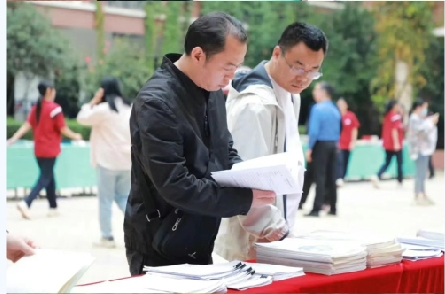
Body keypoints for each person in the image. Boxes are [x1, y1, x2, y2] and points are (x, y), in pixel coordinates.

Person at [123, 12, 276, 275]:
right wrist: (243, 200)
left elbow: (224, 147)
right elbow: (176, 185)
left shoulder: (212, 89)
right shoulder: (156, 103)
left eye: (236, 67)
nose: (231, 76)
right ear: (198, 55)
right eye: (227, 66)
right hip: (159, 242)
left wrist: (250, 177)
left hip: (199, 234)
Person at [215, 22, 327, 261]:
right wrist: (277, 230)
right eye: (298, 68)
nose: (304, 78)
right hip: (248, 243)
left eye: (313, 71)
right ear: (277, 53)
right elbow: (245, 178)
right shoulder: (254, 105)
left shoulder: (290, 95)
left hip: (275, 236)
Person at [7, 81, 82, 219]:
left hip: (39, 150)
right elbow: (62, 128)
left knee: (49, 176)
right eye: (53, 90)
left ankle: (53, 207)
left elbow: (26, 126)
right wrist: (76, 136)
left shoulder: (36, 108)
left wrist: (13, 138)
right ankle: (26, 202)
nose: (54, 92)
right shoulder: (55, 109)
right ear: (48, 91)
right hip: (50, 149)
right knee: (45, 178)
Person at [77, 77, 132, 249]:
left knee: (105, 200)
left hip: (107, 162)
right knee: (124, 198)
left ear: (103, 90)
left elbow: (82, 118)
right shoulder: (129, 108)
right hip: (126, 161)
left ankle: (107, 237)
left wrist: (92, 101)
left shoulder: (103, 109)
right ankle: (141, 228)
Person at [305, 82, 341, 217]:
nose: (314, 93)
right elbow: (338, 129)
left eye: (316, 90)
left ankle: (316, 208)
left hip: (320, 144)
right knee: (332, 176)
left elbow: (314, 131)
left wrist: (310, 148)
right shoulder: (335, 109)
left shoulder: (317, 108)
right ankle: (333, 207)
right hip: (333, 144)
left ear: (323, 92)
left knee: (319, 176)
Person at [408, 100, 439, 205]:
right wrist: (431, 123)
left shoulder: (419, 119)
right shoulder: (414, 118)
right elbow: (421, 131)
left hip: (424, 149)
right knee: (420, 173)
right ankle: (418, 194)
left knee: (422, 173)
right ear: (418, 107)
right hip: (419, 149)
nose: (425, 110)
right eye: (424, 107)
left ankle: (422, 193)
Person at [372, 100, 404, 188]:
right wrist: (397, 143)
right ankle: (400, 181)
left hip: (388, 144)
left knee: (387, 162)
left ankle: (377, 175)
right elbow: (394, 130)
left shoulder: (387, 116)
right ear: (394, 106)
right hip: (395, 144)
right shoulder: (396, 117)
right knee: (399, 163)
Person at [336, 98, 360, 186]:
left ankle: (343, 177)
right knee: (339, 161)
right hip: (339, 143)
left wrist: (353, 141)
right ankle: (338, 178)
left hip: (348, 143)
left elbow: (354, 129)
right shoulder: (336, 115)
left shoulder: (351, 115)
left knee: (346, 161)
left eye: (342, 104)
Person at [426, 110, 437, 179]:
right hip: (430, 143)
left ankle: (431, 173)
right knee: (429, 159)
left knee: (428, 159)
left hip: (428, 144)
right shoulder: (432, 123)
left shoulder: (429, 122)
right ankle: (431, 173)